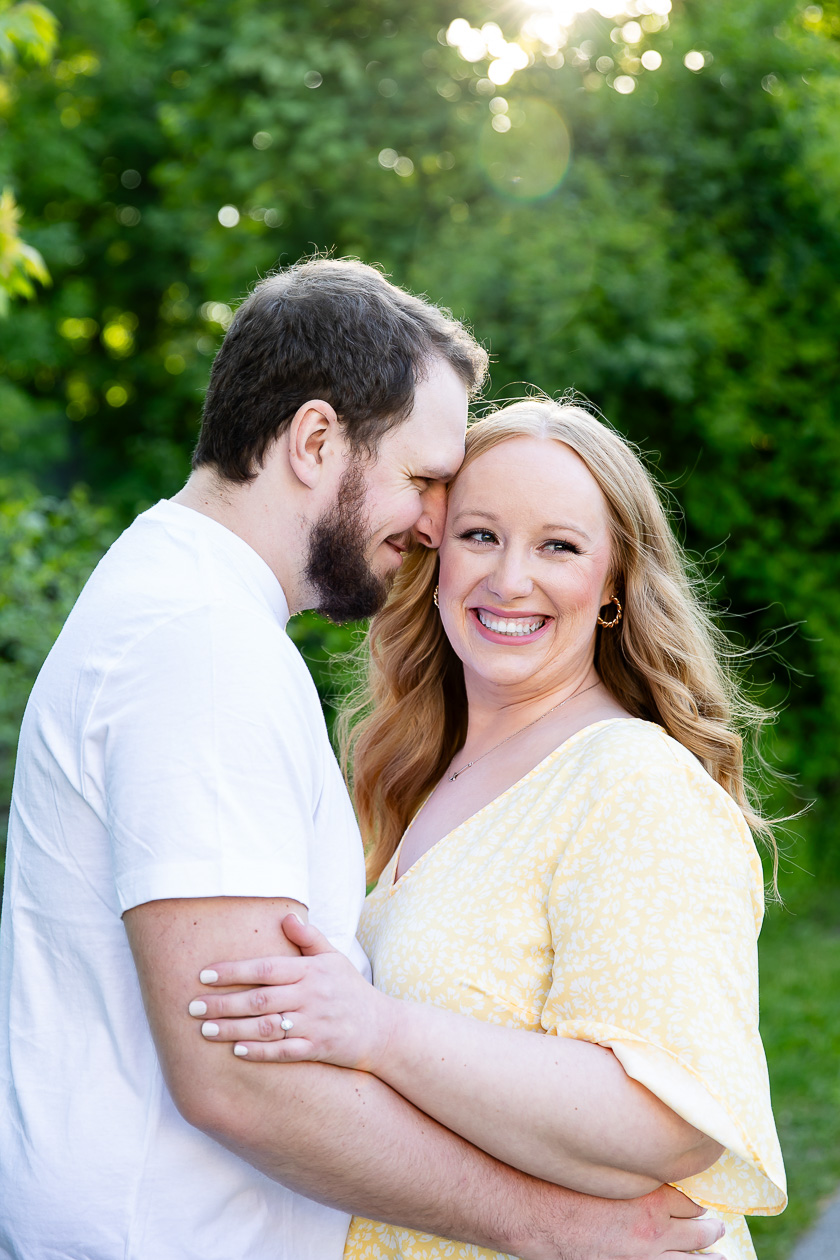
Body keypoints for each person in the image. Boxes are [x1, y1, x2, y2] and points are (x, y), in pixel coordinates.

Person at [0, 266, 724, 1260]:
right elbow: (240, 1074)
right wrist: (552, 1227)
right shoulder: (200, 645)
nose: (432, 526)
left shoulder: (193, 616)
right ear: (312, 441)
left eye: (557, 545)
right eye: (428, 483)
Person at [191, 399, 788, 1260]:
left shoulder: (631, 780)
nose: (510, 579)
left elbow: (668, 1123)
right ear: (432, 558)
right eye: (479, 535)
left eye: (559, 545)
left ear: (614, 582)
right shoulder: (421, 777)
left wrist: (376, 1029)